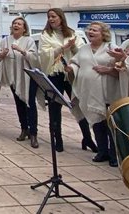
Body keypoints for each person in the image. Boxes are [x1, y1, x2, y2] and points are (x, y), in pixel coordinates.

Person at [38, 8, 96, 153]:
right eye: (49, 17)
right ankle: (57, 139)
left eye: (54, 16)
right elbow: (44, 54)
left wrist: (73, 46)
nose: (51, 19)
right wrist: (63, 48)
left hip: (71, 73)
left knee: (78, 104)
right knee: (55, 107)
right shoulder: (45, 35)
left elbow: (82, 52)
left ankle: (87, 138)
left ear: (61, 18)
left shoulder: (72, 33)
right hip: (54, 73)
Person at [65, 21, 119, 167]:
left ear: (104, 34)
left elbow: (120, 67)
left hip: (107, 92)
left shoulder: (111, 48)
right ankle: (102, 152)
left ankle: (114, 155)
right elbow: (76, 63)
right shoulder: (83, 49)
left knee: (110, 125)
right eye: (90, 30)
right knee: (96, 123)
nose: (91, 32)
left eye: (95, 30)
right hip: (89, 91)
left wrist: (107, 70)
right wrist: (71, 68)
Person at [0, 17, 39, 147]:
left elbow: (34, 58)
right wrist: (2, 53)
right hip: (13, 77)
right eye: (14, 23)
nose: (16, 25)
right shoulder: (5, 40)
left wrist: (21, 50)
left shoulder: (28, 40)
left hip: (27, 78)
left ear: (24, 28)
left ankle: (34, 133)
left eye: (19, 24)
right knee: (19, 104)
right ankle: (24, 128)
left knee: (30, 104)